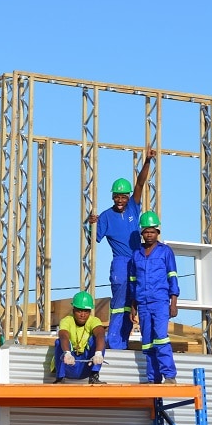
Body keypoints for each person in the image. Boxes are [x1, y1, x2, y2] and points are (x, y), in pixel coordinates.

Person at [87, 149, 155, 349]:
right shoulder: (106, 216)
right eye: (117, 196)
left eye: (123, 197)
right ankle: (115, 341)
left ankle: (128, 340)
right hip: (121, 262)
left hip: (138, 259)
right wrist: (90, 224)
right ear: (112, 197)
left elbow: (140, 183)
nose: (120, 200)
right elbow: (93, 239)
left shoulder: (133, 207)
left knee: (137, 300)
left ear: (128, 197)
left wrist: (147, 161)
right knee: (119, 303)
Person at [128, 211, 179, 384]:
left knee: (161, 338)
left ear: (158, 232)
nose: (149, 235)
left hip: (160, 302)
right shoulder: (136, 254)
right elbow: (133, 281)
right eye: (146, 232)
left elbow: (172, 276)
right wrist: (133, 306)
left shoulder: (165, 252)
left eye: (152, 231)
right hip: (142, 304)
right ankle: (153, 379)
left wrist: (173, 302)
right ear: (141, 233)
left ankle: (169, 375)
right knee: (148, 342)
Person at [53, 291, 107, 385]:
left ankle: (94, 376)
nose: (82, 314)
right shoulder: (67, 320)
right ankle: (60, 378)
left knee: (99, 339)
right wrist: (67, 353)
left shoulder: (93, 321)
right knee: (59, 342)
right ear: (73, 310)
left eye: (86, 311)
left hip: (86, 366)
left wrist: (98, 353)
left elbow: (100, 334)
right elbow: (63, 335)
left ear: (90, 311)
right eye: (79, 311)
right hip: (69, 363)